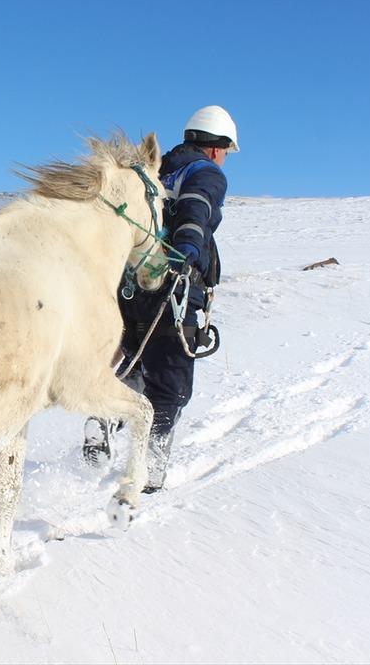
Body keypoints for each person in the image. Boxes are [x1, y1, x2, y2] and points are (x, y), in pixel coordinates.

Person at [83, 105, 238, 493]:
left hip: (129, 287)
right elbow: (197, 209)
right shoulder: (205, 172)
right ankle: (149, 474)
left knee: (136, 360)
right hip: (172, 287)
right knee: (170, 386)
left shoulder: (156, 169)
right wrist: (186, 252)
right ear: (217, 147)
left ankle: (105, 415)